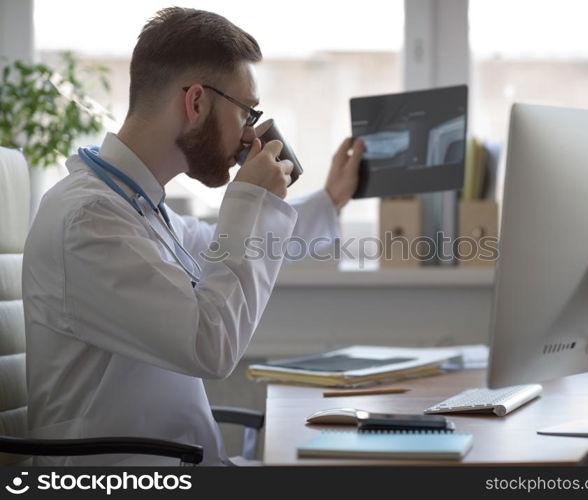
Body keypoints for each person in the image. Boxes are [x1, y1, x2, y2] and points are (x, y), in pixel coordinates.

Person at [22, 7, 364, 466]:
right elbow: (211, 346)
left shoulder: (137, 206)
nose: (249, 135)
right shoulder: (88, 218)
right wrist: (250, 202)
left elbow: (222, 244)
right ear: (197, 102)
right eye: (246, 112)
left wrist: (329, 202)